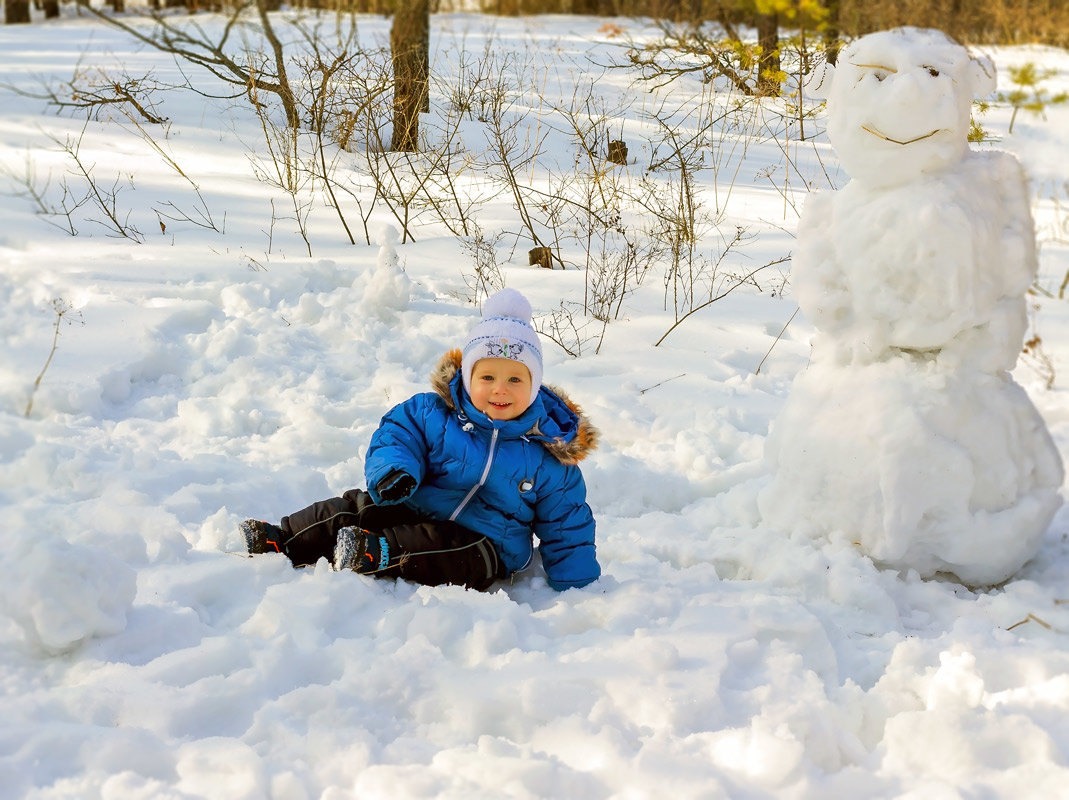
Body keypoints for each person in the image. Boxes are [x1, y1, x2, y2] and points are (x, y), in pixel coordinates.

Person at [240, 288, 601, 592]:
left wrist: (576, 581)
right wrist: (395, 472)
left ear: (535, 385)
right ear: (468, 376)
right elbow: (397, 434)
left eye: (516, 380)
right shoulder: (433, 411)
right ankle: (283, 538)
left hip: (485, 541)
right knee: (359, 507)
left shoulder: (550, 448)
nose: (500, 390)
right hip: (417, 504)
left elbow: (567, 520)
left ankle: (372, 553)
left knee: (454, 552)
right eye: (487, 376)